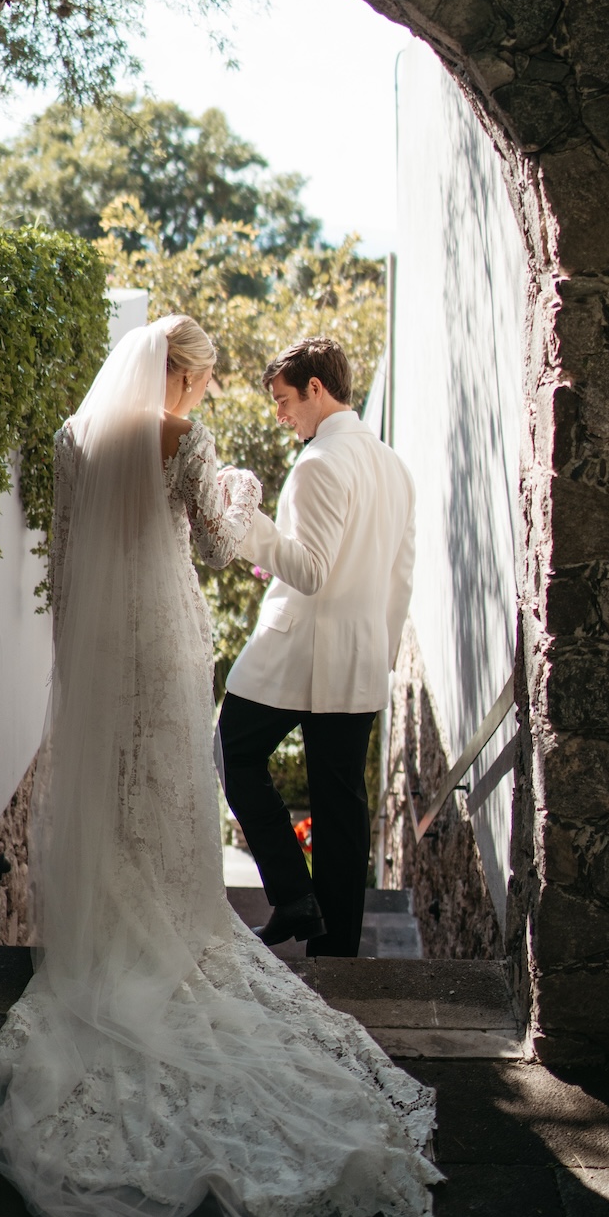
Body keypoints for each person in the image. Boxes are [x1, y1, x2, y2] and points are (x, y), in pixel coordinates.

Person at [0, 315, 438, 1217]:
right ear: (179, 376)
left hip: (99, 646)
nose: (210, 396)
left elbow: (65, 556)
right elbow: (232, 548)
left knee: (116, 787)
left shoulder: (74, 438)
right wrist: (234, 498)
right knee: (183, 788)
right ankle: (193, 925)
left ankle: (111, 929)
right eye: (207, 380)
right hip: (167, 637)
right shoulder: (191, 442)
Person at [220, 336, 415, 958]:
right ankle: (336, 951)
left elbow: (309, 571)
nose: (280, 416)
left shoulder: (318, 464)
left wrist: (245, 526)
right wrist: (376, 655)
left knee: (232, 749)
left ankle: (292, 893)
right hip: (356, 658)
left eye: (283, 401)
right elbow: (401, 575)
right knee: (341, 806)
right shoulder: (393, 465)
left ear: (316, 389)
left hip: (297, 653)